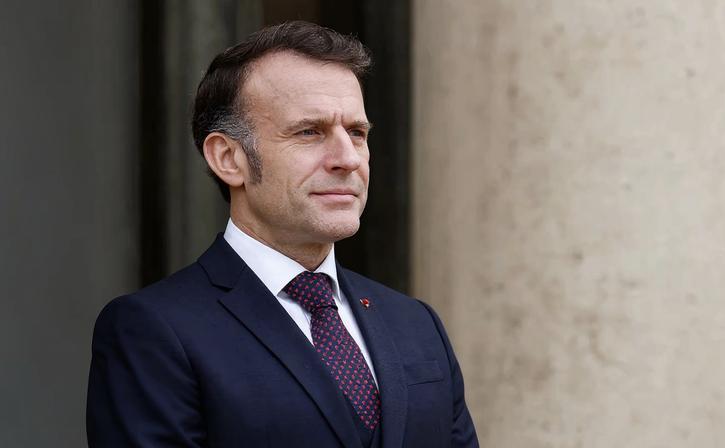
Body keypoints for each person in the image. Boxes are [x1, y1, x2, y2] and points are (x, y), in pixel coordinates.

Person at [87, 21, 478, 448]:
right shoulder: (153, 331)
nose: (347, 158)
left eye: (357, 133)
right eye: (309, 132)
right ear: (228, 158)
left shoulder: (417, 324)